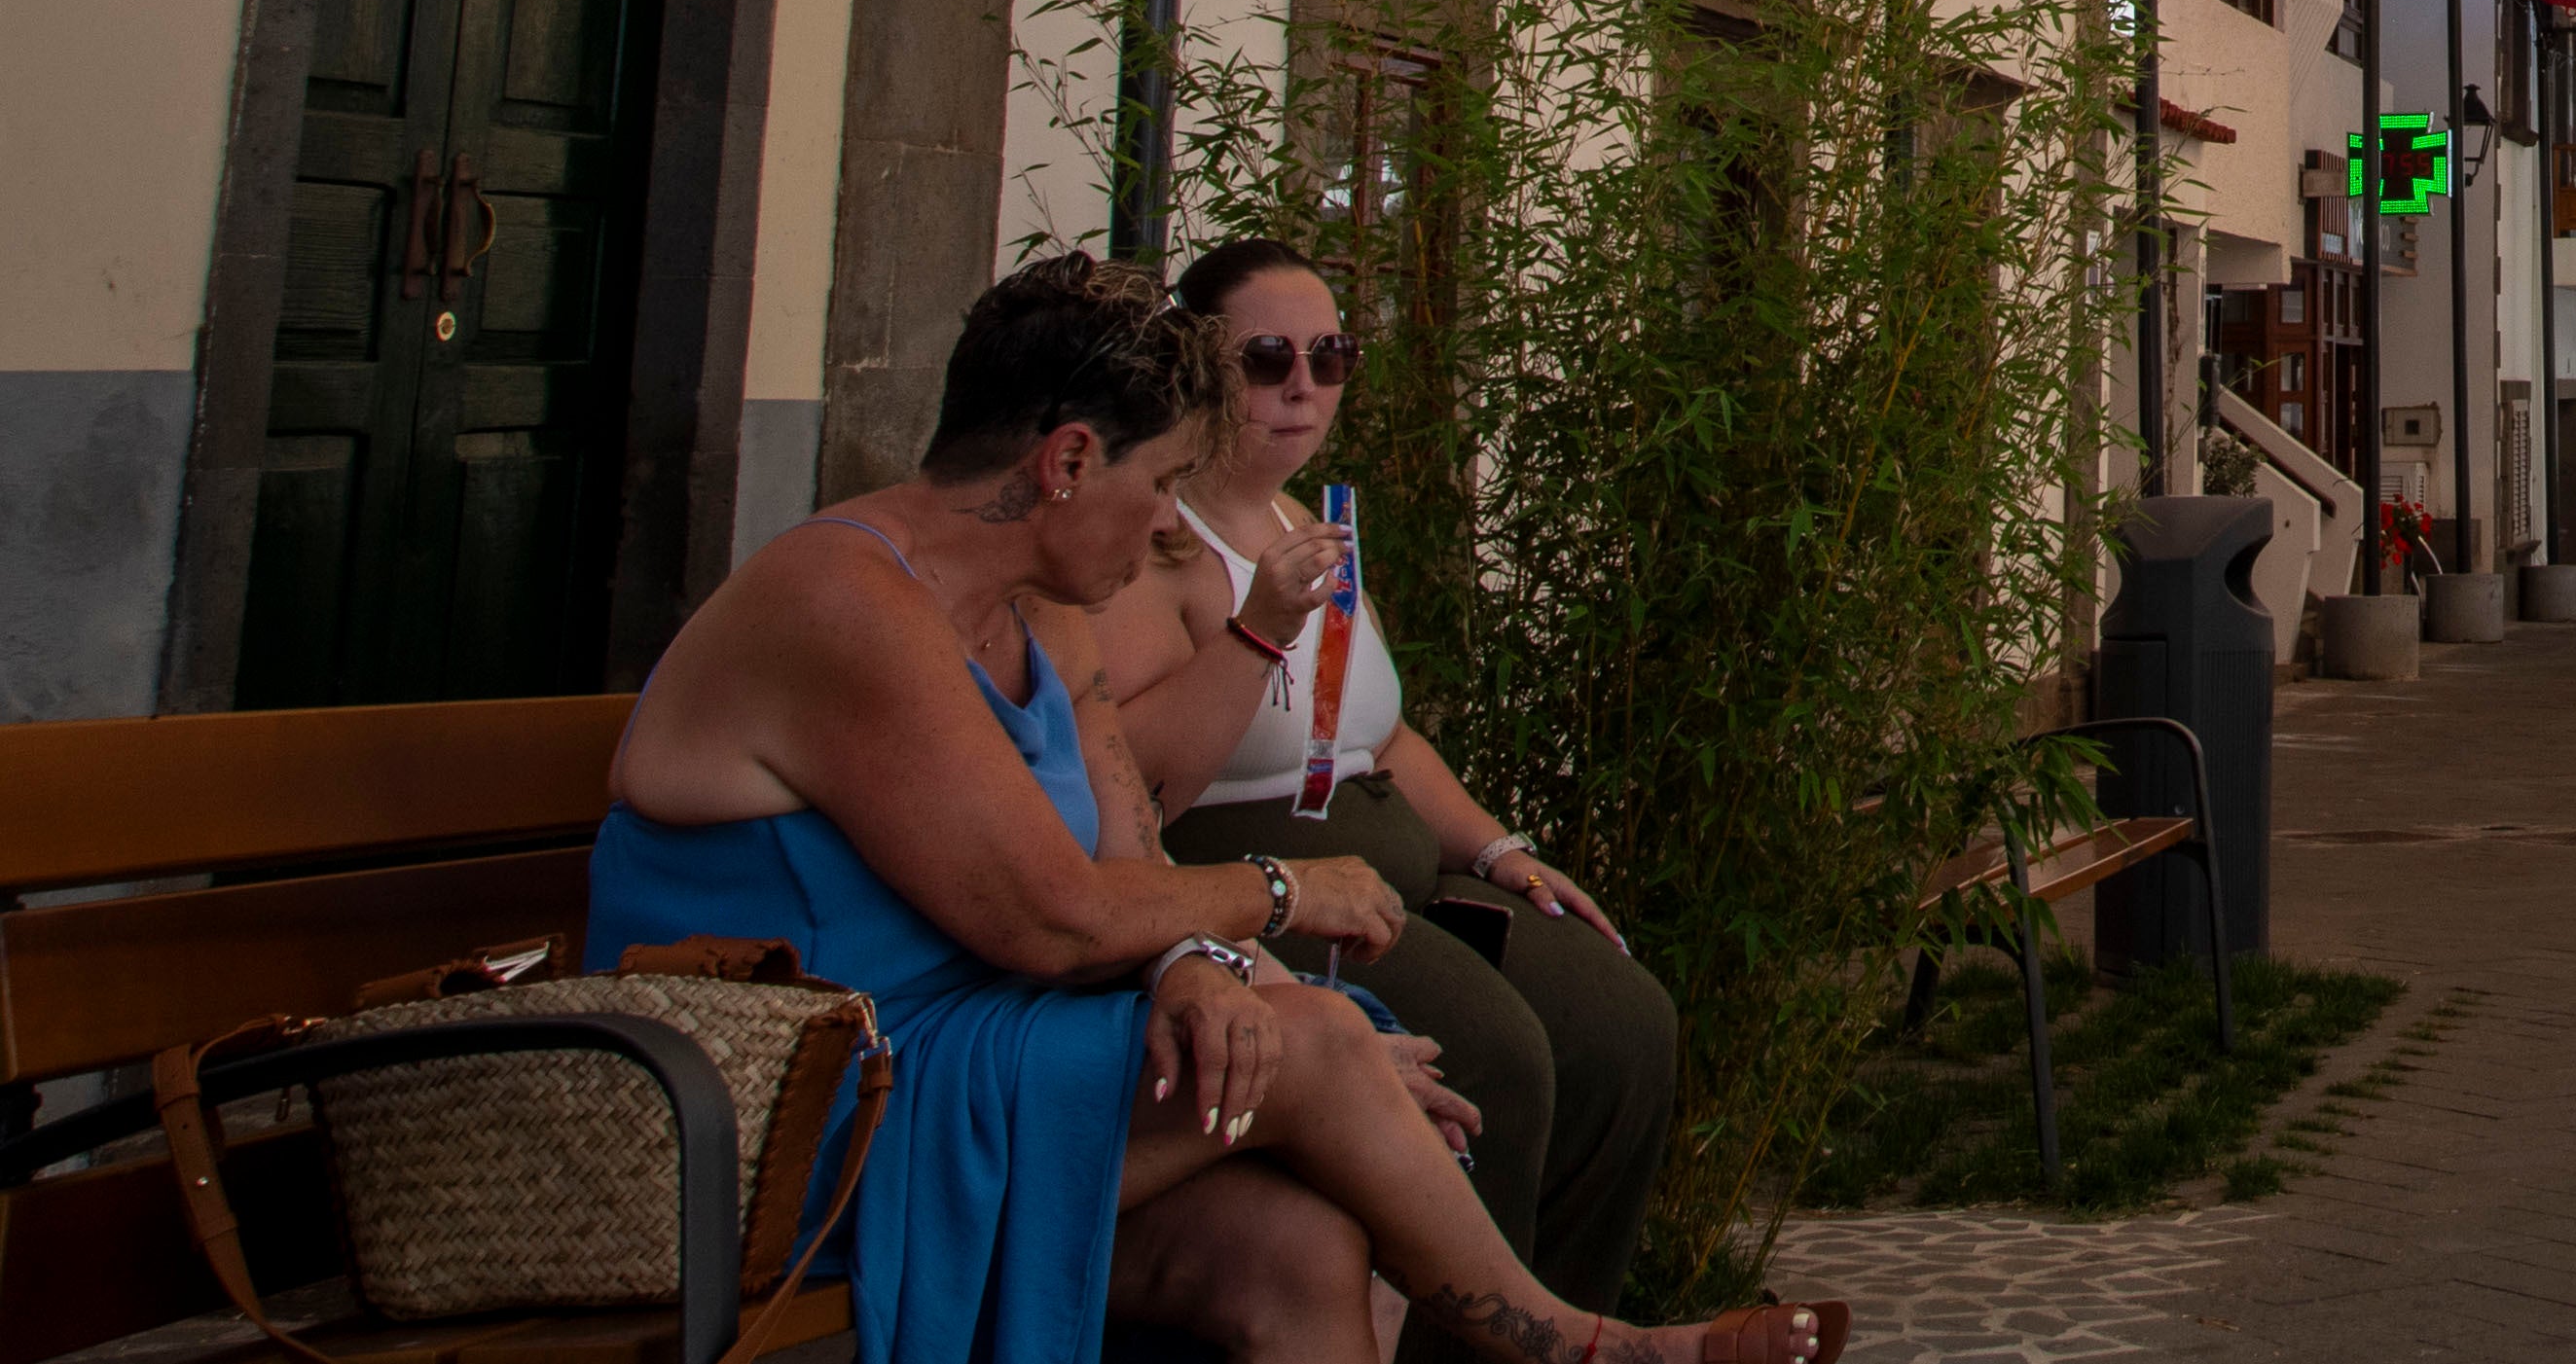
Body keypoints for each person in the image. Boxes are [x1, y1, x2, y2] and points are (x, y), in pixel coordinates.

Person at [595, 254, 1840, 1364]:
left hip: (966, 1054)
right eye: (1164, 485)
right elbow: (1061, 917)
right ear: (1069, 460)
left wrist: (1198, 962)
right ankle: (1585, 1345)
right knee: (1329, 1046)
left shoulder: (1041, 608)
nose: (1166, 528)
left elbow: (1124, 856)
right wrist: (1285, 895)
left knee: (1291, 1248)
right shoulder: (848, 601)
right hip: (789, 1107)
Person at [1097, 238, 1680, 1308]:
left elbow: (1383, 736)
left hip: (1391, 857)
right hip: (1268, 875)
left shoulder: (1311, 519)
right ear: (1197, 368)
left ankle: (1573, 1314)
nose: (1304, 386)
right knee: (1499, 1059)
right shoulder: (1156, 541)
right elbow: (1134, 778)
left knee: (1626, 1026)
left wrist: (1502, 851)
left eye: (1332, 356)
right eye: (1267, 357)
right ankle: (1482, 1332)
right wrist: (1259, 629)